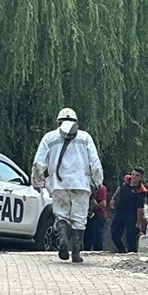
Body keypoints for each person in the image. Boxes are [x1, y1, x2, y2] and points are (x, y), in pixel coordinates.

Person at [32, 107, 103, 263]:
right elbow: (95, 164)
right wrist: (97, 182)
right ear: (76, 121)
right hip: (81, 185)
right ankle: (76, 253)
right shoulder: (85, 137)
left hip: (58, 184)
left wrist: (37, 181)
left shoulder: (49, 138)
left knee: (62, 215)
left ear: (58, 121)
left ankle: (63, 240)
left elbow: (38, 162)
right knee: (79, 219)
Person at [109, 168, 148, 253]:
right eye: (133, 174)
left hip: (132, 215)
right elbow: (119, 188)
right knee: (114, 233)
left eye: (137, 175)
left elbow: (140, 208)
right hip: (120, 212)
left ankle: (132, 253)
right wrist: (113, 199)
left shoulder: (141, 190)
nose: (134, 177)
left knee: (131, 237)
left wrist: (138, 222)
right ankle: (122, 250)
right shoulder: (126, 180)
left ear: (141, 177)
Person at [84, 182, 108, 252]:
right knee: (87, 238)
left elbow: (103, 203)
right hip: (88, 215)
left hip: (97, 215)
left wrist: (91, 207)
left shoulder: (100, 188)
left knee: (97, 238)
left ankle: (98, 252)